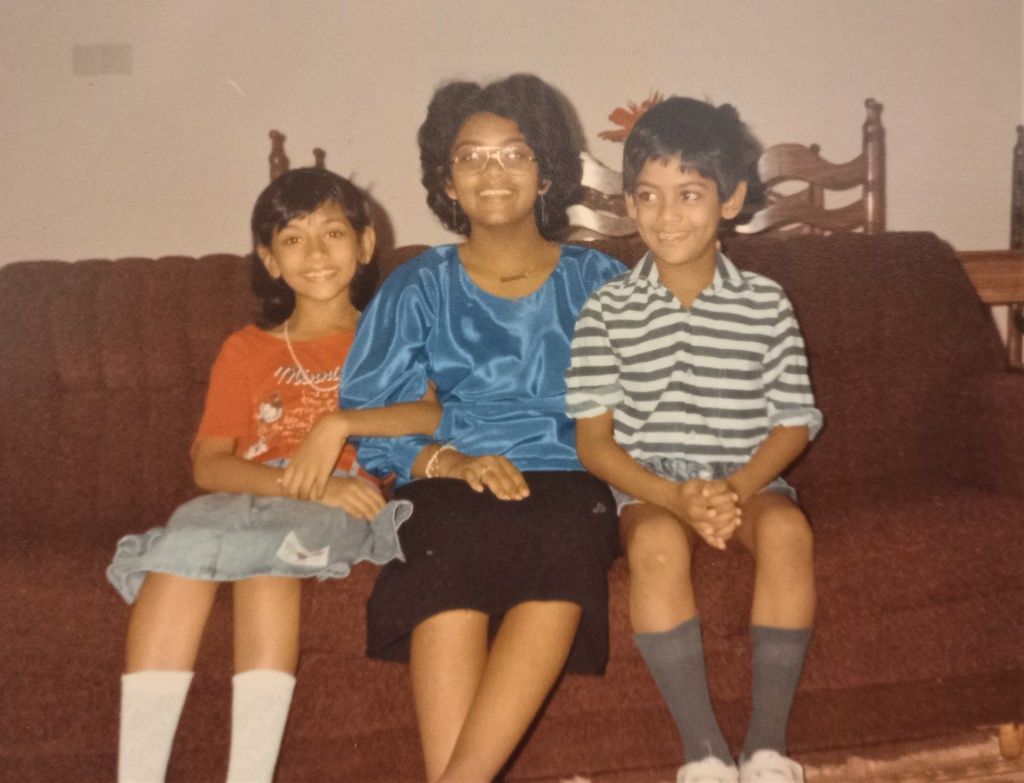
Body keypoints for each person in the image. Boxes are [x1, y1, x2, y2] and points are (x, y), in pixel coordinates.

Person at [327, 74, 627, 783]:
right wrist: (450, 463)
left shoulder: (600, 280)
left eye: (514, 154)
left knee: (565, 530)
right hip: (453, 474)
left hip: (571, 472)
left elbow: (648, 398)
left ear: (547, 171)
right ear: (448, 181)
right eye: (471, 157)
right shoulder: (418, 284)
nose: (493, 173)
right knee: (444, 534)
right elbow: (374, 416)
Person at [107, 167, 440, 783]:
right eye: (293, 239)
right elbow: (209, 463)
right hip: (256, 490)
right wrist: (295, 480)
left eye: (333, 232)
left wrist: (339, 424)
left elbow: (430, 411)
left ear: (366, 245)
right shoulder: (246, 348)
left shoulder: (387, 337)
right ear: (268, 259)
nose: (315, 253)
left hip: (341, 503)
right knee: (178, 547)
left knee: (271, 562)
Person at [565, 97, 821, 783]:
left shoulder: (765, 303)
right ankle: (705, 750)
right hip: (650, 484)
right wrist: (675, 499)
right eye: (647, 195)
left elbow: (794, 421)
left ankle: (766, 746)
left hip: (750, 478)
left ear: (731, 199)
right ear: (628, 202)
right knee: (651, 546)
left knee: (789, 533)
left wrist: (735, 490)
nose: (665, 214)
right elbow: (594, 443)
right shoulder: (607, 309)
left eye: (689, 194)